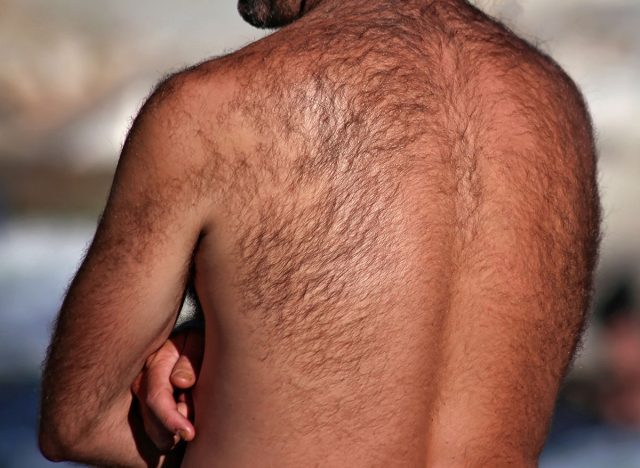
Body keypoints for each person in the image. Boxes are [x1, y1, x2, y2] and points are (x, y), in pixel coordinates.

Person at [38, 0, 601, 466]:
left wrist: (200, 374)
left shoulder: (209, 112)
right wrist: (236, 345)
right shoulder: (557, 112)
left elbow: (80, 421)